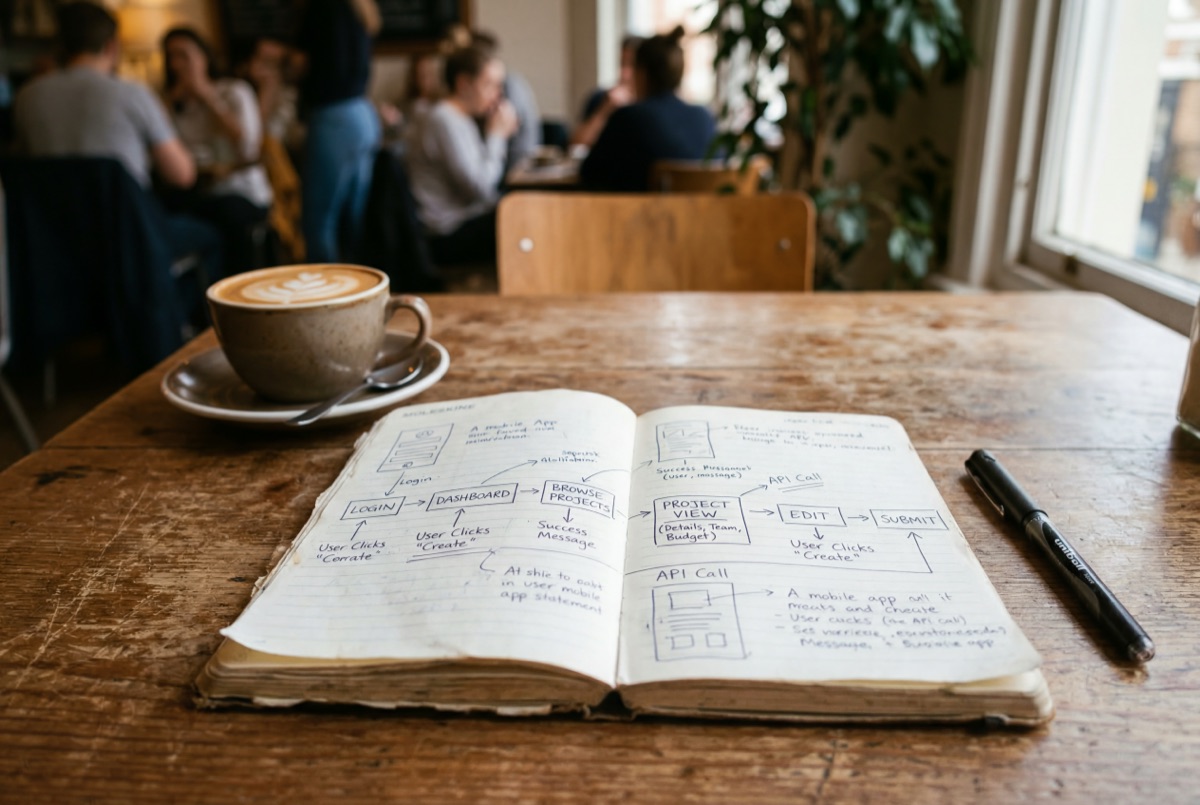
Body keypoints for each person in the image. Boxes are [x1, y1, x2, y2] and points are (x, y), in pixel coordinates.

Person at [12, 2, 219, 273]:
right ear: (112, 46)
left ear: (60, 46)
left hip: (53, 242)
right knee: (209, 236)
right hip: (127, 238)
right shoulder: (132, 94)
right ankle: (170, 301)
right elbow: (182, 175)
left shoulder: (27, 97)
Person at [161, 27, 272, 276]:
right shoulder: (170, 103)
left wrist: (207, 97)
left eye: (184, 55)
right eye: (171, 57)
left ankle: (235, 286)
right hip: (198, 191)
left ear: (204, 56)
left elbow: (249, 149)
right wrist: (167, 107)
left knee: (226, 214)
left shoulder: (234, 91)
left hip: (240, 190)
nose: (177, 64)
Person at [404, 44, 517, 265]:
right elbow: (480, 189)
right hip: (446, 234)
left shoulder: (461, 118)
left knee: (522, 205)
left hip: (465, 219)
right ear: (464, 84)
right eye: (489, 85)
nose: (497, 96)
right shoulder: (444, 120)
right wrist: (497, 136)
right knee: (520, 216)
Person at [294, 0, 381, 263]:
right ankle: (360, 284)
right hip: (363, 114)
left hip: (334, 118)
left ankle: (327, 289)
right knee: (353, 223)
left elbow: (301, 63)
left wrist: (278, 60)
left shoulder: (323, 7)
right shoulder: (359, 7)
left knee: (318, 221)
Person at [580, 26, 716, 192]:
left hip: (645, 209)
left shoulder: (629, 117)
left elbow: (588, 173)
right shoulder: (705, 117)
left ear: (642, 73)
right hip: (705, 208)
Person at [570, 35, 643, 149]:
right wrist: (604, 111)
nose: (624, 73)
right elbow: (576, 144)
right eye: (622, 64)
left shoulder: (652, 106)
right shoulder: (600, 98)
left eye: (631, 65)